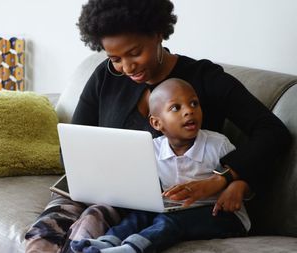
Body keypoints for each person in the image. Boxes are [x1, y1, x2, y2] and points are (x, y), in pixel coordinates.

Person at [25, 0, 291, 252]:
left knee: (88, 231)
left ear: (158, 34)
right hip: (100, 189)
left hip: (158, 204)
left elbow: (272, 132)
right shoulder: (105, 76)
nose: (126, 67)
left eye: (134, 53)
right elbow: (73, 148)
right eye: (115, 58)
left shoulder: (206, 79)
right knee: (42, 235)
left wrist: (228, 178)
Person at [70, 78, 251, 253]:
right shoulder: (152, 149)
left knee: (170, 221)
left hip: (223, 215)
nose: (189, 111)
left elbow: (246, 172)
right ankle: (106, 242)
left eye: (194, 104)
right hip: (172, 209)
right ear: (157, 123)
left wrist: (237, 185)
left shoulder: (218, 144)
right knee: (139, 216)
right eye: (176, 107)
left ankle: (133, 248)